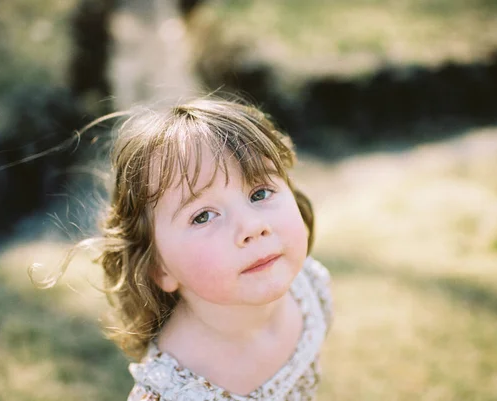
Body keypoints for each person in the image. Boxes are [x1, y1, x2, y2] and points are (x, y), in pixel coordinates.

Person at [64, 97, 332, 400]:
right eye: (202, 216)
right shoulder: (173, 393)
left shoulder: (310, 289)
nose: (252, 226)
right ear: (159, 267)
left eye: (260, 193)